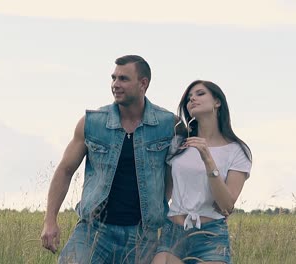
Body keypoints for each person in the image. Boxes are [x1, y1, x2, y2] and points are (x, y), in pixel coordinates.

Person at [40, 55, 176, 263]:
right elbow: (65, 170)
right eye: (113, 78)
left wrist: (160, 205)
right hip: (93, 230)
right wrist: (50, 220)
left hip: (142, 235)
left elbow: (176, 173)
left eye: (123, 79)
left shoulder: (168, 125)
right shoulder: (92, 123)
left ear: (143, 83)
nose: (115, 84)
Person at [152, 80, 253, 264]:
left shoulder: (237, 150)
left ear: (217, 102)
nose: (192, 99)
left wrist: (207, 157)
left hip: (210, 236)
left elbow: (226, 205)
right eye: (189, 98)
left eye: (200, 94)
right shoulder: (177, 144)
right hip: (172, 233)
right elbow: (165, 192)